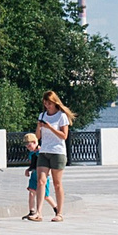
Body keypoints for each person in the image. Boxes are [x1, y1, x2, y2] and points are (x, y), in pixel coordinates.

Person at [35, 91, 73, 220]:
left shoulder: (62, 116)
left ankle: (59, 213)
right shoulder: (42, 115)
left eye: (49, 103)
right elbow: (38, 137)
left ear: (55, 102)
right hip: (44, 151)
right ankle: (38, 212)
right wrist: (39, 127)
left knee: (57, 183)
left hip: (57, 152)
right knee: (40, 181)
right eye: (45, 104)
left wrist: (50, 127)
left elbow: (64, 136)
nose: (47, 106)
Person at [22, 130, 46, 221]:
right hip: (34, 174)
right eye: (26, 146)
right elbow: (32, 164)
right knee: (31, 192)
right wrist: (28, 169)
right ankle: (31, 211)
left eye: (29, 145)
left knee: (45, 195)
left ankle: (56, 208)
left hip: (42, 175)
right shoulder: (32, 153)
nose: (28, 148)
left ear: (35, 142)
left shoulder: (41, 152)